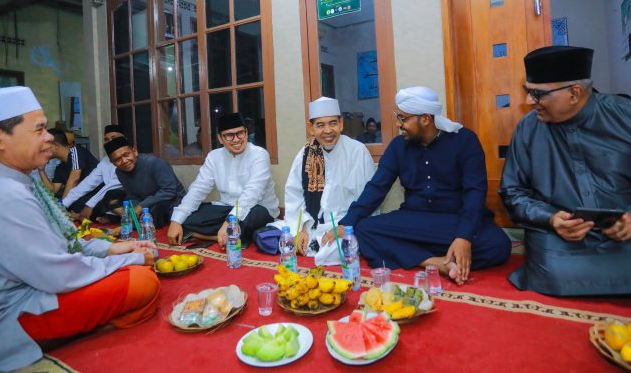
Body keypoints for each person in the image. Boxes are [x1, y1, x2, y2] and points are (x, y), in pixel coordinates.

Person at [0, 86, 160, 371]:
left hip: (27, 285)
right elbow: (57, 274)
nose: (50, 137)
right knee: (142, 281)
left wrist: (111, 249)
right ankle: (81, 336)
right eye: (39, 129)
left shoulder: (5, 178)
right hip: (4, 315)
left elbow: (59, 242)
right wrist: (131, 258)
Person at [499, 46, 631, 308]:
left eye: (538, 94)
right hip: (562, 235)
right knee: (553, 282)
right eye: (528, 91)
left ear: (575, 93)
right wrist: (551, 219)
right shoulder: (528, 129)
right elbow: (513, 191)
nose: (529, 101)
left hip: (629, 230)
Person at [332, 86, 511, 285]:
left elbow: (474, 192)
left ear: (425, 119)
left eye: (403, 119)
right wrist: (346, 223)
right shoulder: (398, 146)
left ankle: (415, 252)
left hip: (454, 220)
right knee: (363, 229)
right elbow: (377, 187)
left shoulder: (465, 141)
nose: (399, 124)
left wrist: (463, 237)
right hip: (414, 220)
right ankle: (434, 262)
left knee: (499, 245)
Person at [280, 97, 376, 266]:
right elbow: (294, 195)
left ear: (341, 124)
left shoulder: (357, 152)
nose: (328, 131)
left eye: (333, 123)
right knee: (273, 235)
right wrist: (301, 228)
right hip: (312, 224)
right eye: (320, 125)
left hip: (346, 225)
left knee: (339, 249)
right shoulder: (306, 153)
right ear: (311, 128)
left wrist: (343, 227)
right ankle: (310, 242)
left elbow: (367, 200)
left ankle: (318, 247)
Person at [167, 113, 279, 247]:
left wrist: (230, 222)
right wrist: (176, 221)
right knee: (178, 214)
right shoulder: (214, 157)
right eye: (229, 135)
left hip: (256, 208)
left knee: (256, 215)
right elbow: (198, 189)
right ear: (220, 138)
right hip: (225, 208)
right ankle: (231, 236)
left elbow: (252, 193)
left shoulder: (259, 154)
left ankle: (203, 234)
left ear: (246, 133)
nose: (236, 139)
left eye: (240, 133)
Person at [105, 136, 186, 227]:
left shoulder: (154, 163)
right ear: (112, 162)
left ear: (135, 151)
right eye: (117, 159)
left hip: (172, 201)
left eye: (126, 155)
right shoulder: (120, 172)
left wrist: (140, 207)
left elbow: (169, 191)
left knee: (156, 211)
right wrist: (132, 211)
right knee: (116, 201)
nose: (124, 161)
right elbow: (132, 196)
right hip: (147, 204)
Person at [62, 125, 128, 223]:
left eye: (114, 138)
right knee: (80, 203)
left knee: (111, 196)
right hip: (109, 198)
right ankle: (108, 217)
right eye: (106, 139)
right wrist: (62, 206)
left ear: (124, 139)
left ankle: (125, 218)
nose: (110, 142)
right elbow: (87, 184)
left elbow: (114, 185)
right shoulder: (105, 161)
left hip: (128, 198)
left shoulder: (127, 159)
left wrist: (90, 205)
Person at [38, 128, 99, 211]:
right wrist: (41, 170)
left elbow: (74, 178)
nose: (43, 150)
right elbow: (53, 190)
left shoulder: (76, 151)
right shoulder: (60, 167)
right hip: (82, 202)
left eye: (45, 147)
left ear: (55, 146)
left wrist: (62, 206)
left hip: (97, 198)